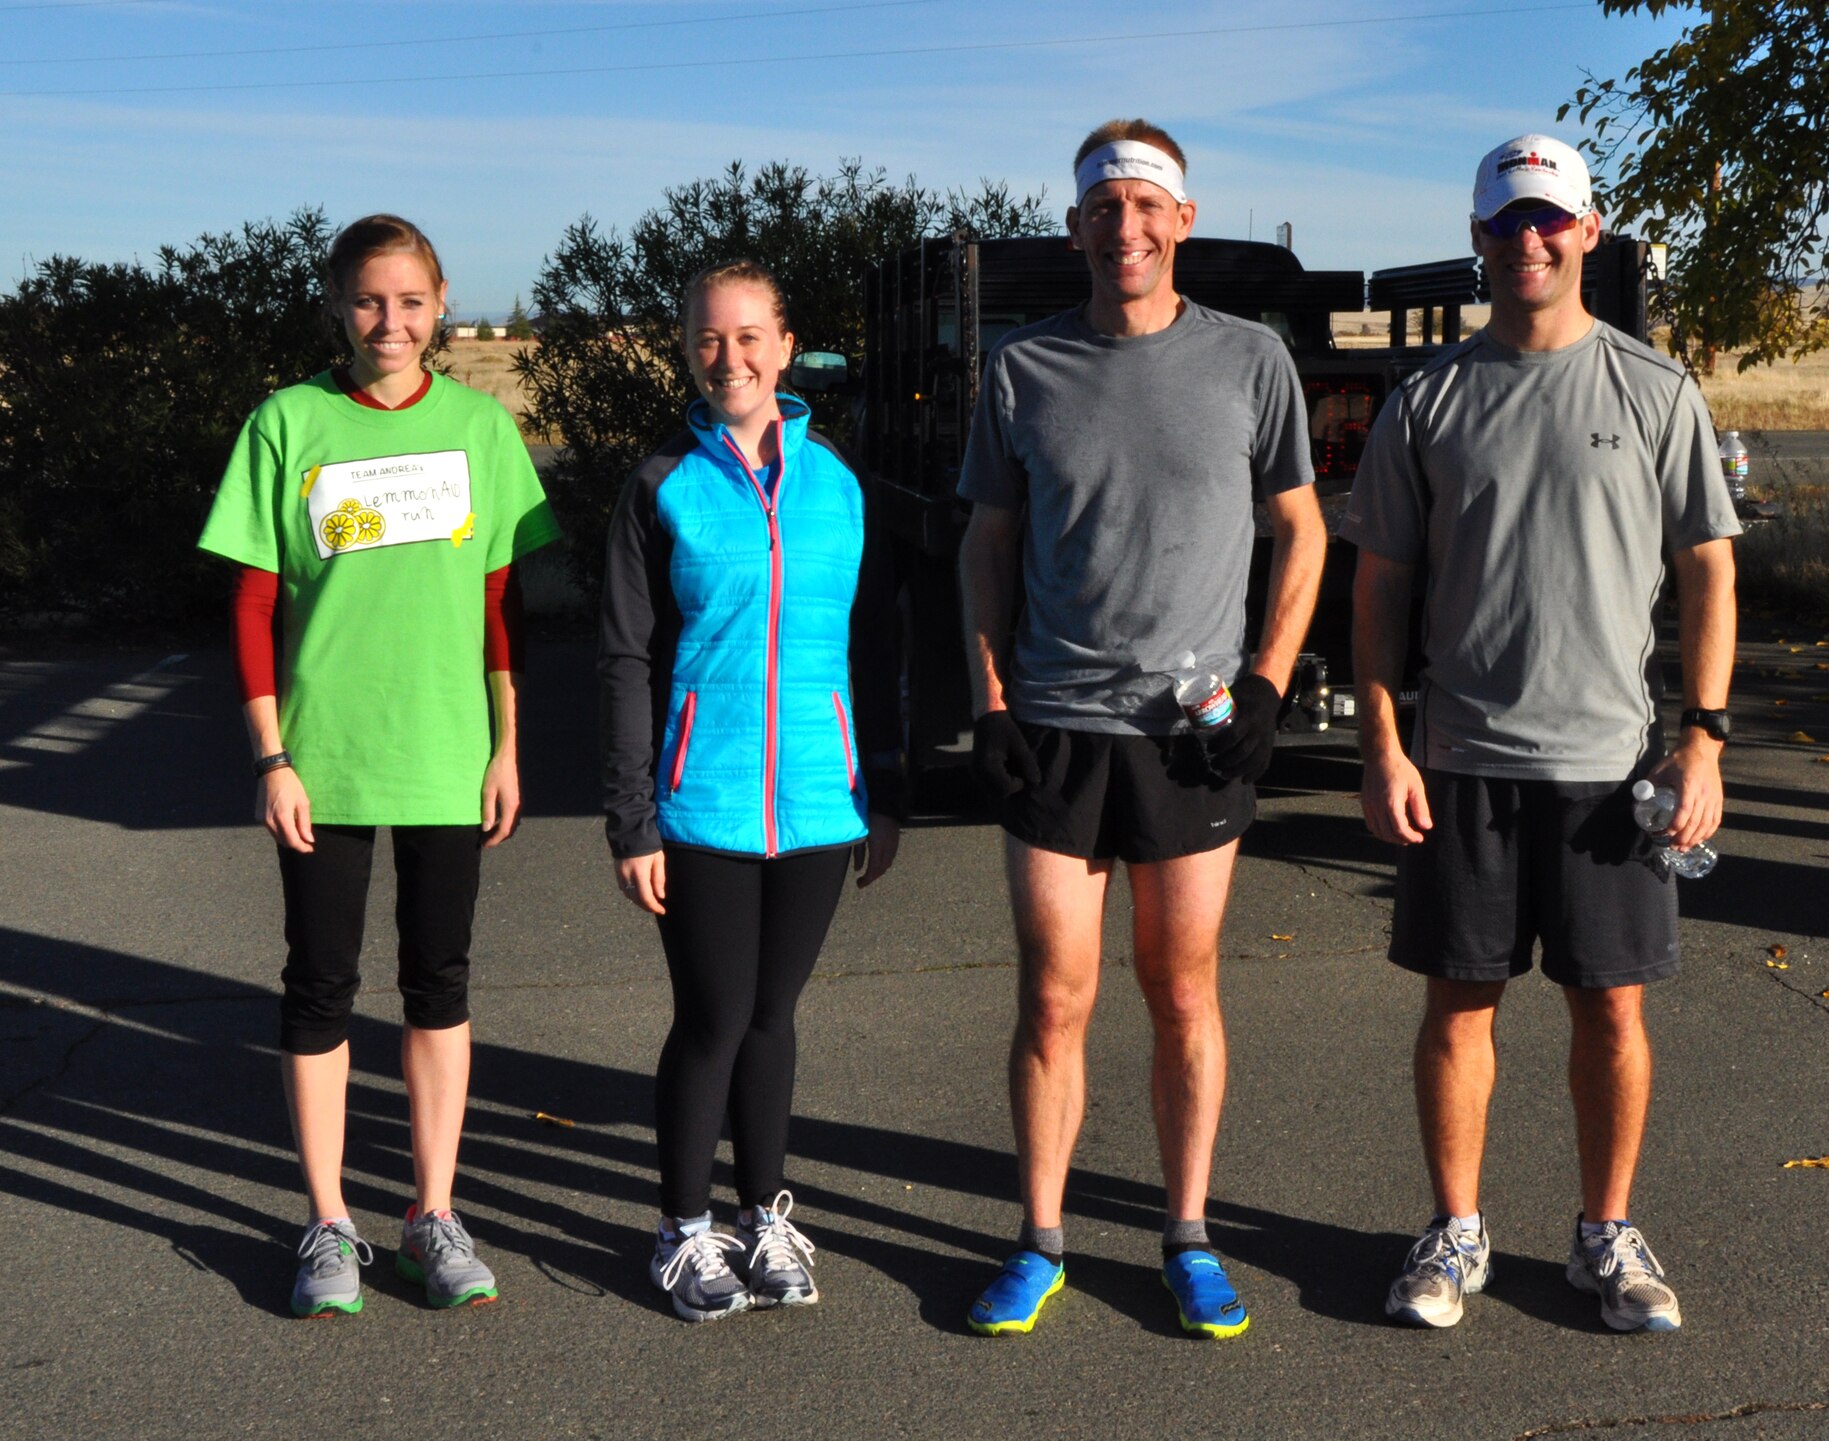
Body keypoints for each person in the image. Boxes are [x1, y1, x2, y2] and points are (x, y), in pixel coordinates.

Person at [1342, 135, 1739, 1334]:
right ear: (1476, 237)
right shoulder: (1429, 400)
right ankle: (1453, 1233)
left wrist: (1704, 740)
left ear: (1588, 229)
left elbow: (1707, 573)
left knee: (1610, 1007)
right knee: (1458, 1005)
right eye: (1507, 221)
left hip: (1609, 771)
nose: (1529, 239)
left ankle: (1601, 1236)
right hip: (1459, 762)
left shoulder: (1653, 390)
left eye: (1548, 220)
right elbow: (1375, 592)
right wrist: (1379, 739)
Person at [956, 119, 1325, 1339]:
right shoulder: (1021, 369)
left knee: (1179, 988)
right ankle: (1040, 1239)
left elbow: (1301, 527)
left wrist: (1268, 683)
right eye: (1101, 207)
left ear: (1182, 220)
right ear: (1075, 227)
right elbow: (987, 543)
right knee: (1053, 998)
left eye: (1145, 205)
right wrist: (989, 700)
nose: (1124, 227)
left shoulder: (1250, 360)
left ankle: (1186, 1234)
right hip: (1057, 724)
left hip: (1190, 731)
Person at [197, 214, 561, 1317]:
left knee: (437, 983)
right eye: (367, 300)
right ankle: (329, 1224)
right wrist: (272, 755)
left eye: (408, 301)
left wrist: (505, 747)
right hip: (326, 759)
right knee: (319, 986)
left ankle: (433, 1215)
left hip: (449, 754)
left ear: (442, 303)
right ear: (335, 306)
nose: (388, 321)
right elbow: (253, 602)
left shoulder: (481, 431)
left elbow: (503, 607)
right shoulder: (286, 422)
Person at [599, 259, 905, 1323]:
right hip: (703, 804)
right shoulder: (658, 484)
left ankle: (765, 1212)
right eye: (706, 340)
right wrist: (631, 816)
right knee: (714, 1018)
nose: (727, 357)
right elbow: (627, 658)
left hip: (821, 797)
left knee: (774, 1016)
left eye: (746, 337)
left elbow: (867, 645)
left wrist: (882, 784)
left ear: (784, 346)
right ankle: (683, 1230)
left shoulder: (840, 483)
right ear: (688, 352)